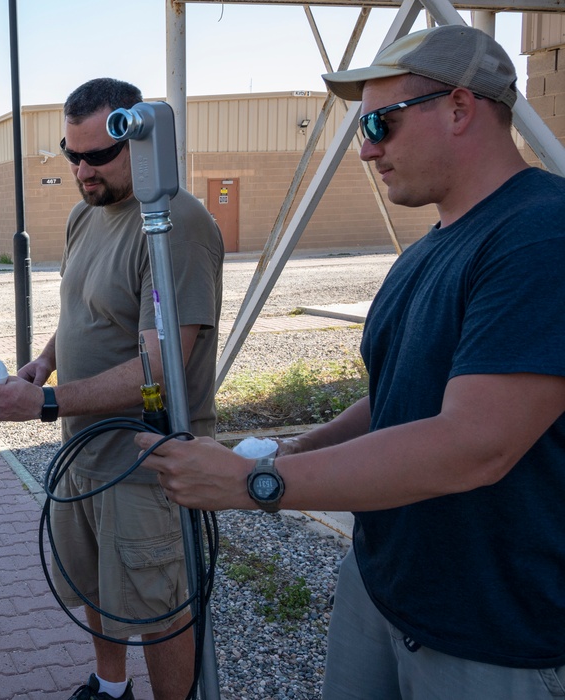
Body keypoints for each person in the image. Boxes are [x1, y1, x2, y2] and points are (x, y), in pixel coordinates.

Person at [134, 25, 565, 699]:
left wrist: (259, 488)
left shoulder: (542, 234)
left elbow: (477, 444)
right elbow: (398, 394)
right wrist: (282, 452)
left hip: (492, 633)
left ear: (459, 108)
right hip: (387, 590)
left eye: (381, 123)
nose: (366, 149)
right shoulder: (433, 246)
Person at [0, 78, 224, 700]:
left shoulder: (176, 227)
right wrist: (43, 366)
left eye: (98, 156)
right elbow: (81, 312)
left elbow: (160, 368)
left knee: (159, 603)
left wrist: (47, 403)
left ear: (137, 139)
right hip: (82, 451)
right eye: (71, 155)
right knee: (91, 582)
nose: (83, 170)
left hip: (147, 462)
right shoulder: (86, 216)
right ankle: (111, 686)